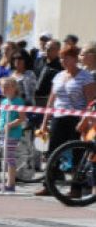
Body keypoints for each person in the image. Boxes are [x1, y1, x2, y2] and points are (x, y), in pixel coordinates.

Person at [35, 44, 96, 196]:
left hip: (77, 118)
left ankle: (76, 188)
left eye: (66, 58)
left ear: (75, 59)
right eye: (61, 58)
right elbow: (51, 100)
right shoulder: (58, 76)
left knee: (78, 153)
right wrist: (44, 122)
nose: (63, 61)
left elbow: (90, 100)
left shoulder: (85, 76)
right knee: (52, 151)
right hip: (59, 117)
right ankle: (48, 184)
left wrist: (86, 120)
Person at [0, 77, 27, 195]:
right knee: (6, 158)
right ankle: (7, 182)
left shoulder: (18, 101)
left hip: (13, 133)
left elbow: (22, 118)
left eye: (7, 87)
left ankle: (11, 184)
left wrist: (11, 125)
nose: (4, 89)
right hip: (4, 133)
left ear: (14, 88)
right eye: (2, 87)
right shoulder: (4, 102)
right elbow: (0, 119)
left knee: (9, 158)